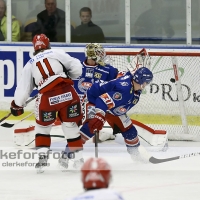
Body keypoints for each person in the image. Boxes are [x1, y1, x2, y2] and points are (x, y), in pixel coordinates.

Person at [10, 33, 84, 173]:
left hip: (47, 98)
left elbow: (23, 89)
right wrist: (70, 75)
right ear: (48, 44)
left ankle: (42, 160)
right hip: (68, 94)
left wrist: (17, 104)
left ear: (34, 47)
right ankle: (79, 159)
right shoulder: (57, 53)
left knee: (42, 128)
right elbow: (77, 68)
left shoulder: (29, 64)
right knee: (70, 126)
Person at [58, 43, 119, 169]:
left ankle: (68, 154)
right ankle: (72, 156)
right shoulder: (75, 68)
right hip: (74, 103)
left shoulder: (108, 70)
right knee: (73, 131)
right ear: (93, 55)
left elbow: (119, 79)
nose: (103, 56)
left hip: (92, 104)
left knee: (89, 128)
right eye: (99, 54)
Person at [83, 66, 153, 162]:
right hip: (94, 101)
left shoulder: (135, 86)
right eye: (147, 82)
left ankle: (136, 156)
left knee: (130, 132)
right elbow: (102, 100)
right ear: (142, 81)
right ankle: (69, 153)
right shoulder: (124, 90)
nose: (147, 84)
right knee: (90, 127)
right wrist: (99, 115)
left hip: (113, 107)